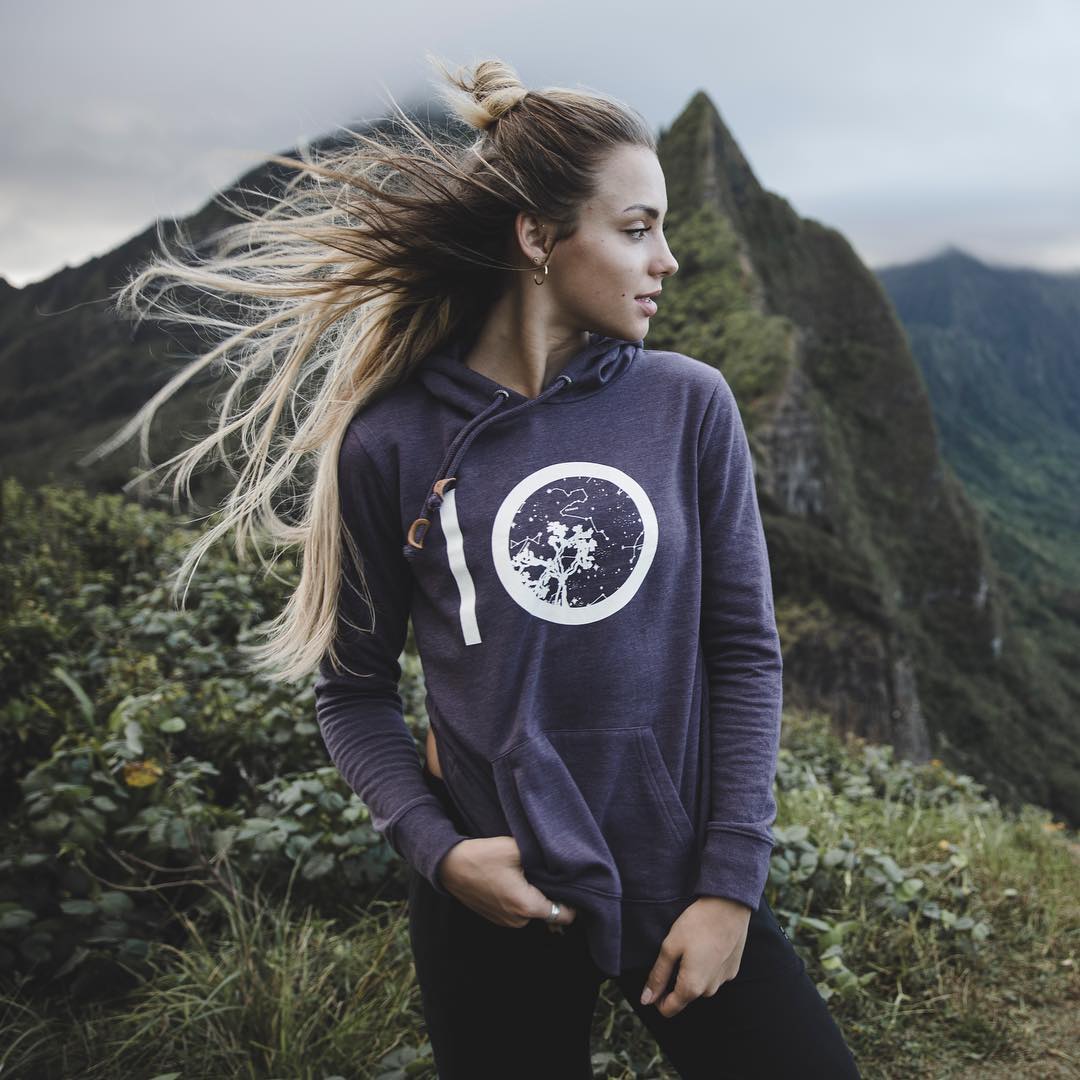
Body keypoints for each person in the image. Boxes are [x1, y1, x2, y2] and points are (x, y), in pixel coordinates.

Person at [87, 50, 861, 1080]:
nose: (668, 260)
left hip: (681, 875)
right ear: (537, 237)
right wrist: (441, 853)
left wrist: (729, 885)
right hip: (493, 899)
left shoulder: (688, 405)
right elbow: (352, 692)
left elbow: (745, 653)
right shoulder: (391, 442)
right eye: (637, 229)